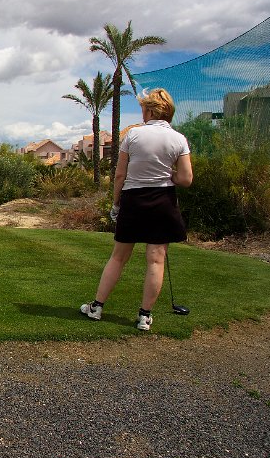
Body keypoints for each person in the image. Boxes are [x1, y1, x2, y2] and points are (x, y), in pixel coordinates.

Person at [80, 88, 193, 331]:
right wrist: (169, 174)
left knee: (119, 257)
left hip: (133, 199)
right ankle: (144, 316)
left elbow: (120, 174)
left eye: (143, 107)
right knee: (156, 260)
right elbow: (185, 179)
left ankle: (97, 307)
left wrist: (116, 204)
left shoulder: (133, 136)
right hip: (163, 200)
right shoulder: (179, 139)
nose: (141, 112)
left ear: (151, 110)